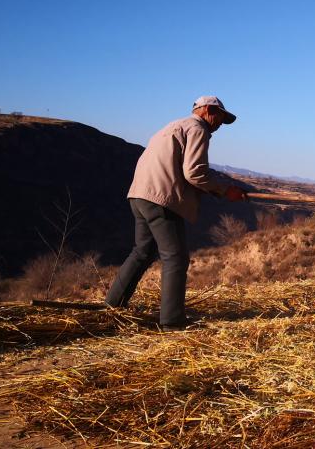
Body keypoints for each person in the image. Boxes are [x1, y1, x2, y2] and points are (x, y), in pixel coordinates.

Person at [105, 96, 247, 330]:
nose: (221, 124)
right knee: (176, 257)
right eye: (221, 117)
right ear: (208, 110)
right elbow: (194, 172)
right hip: (161, 199)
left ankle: (112, 305)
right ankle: (172, 321)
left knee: (142, 252)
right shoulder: (198, 129)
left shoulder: (173, 126)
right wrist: (226, 190)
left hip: (139, 195)